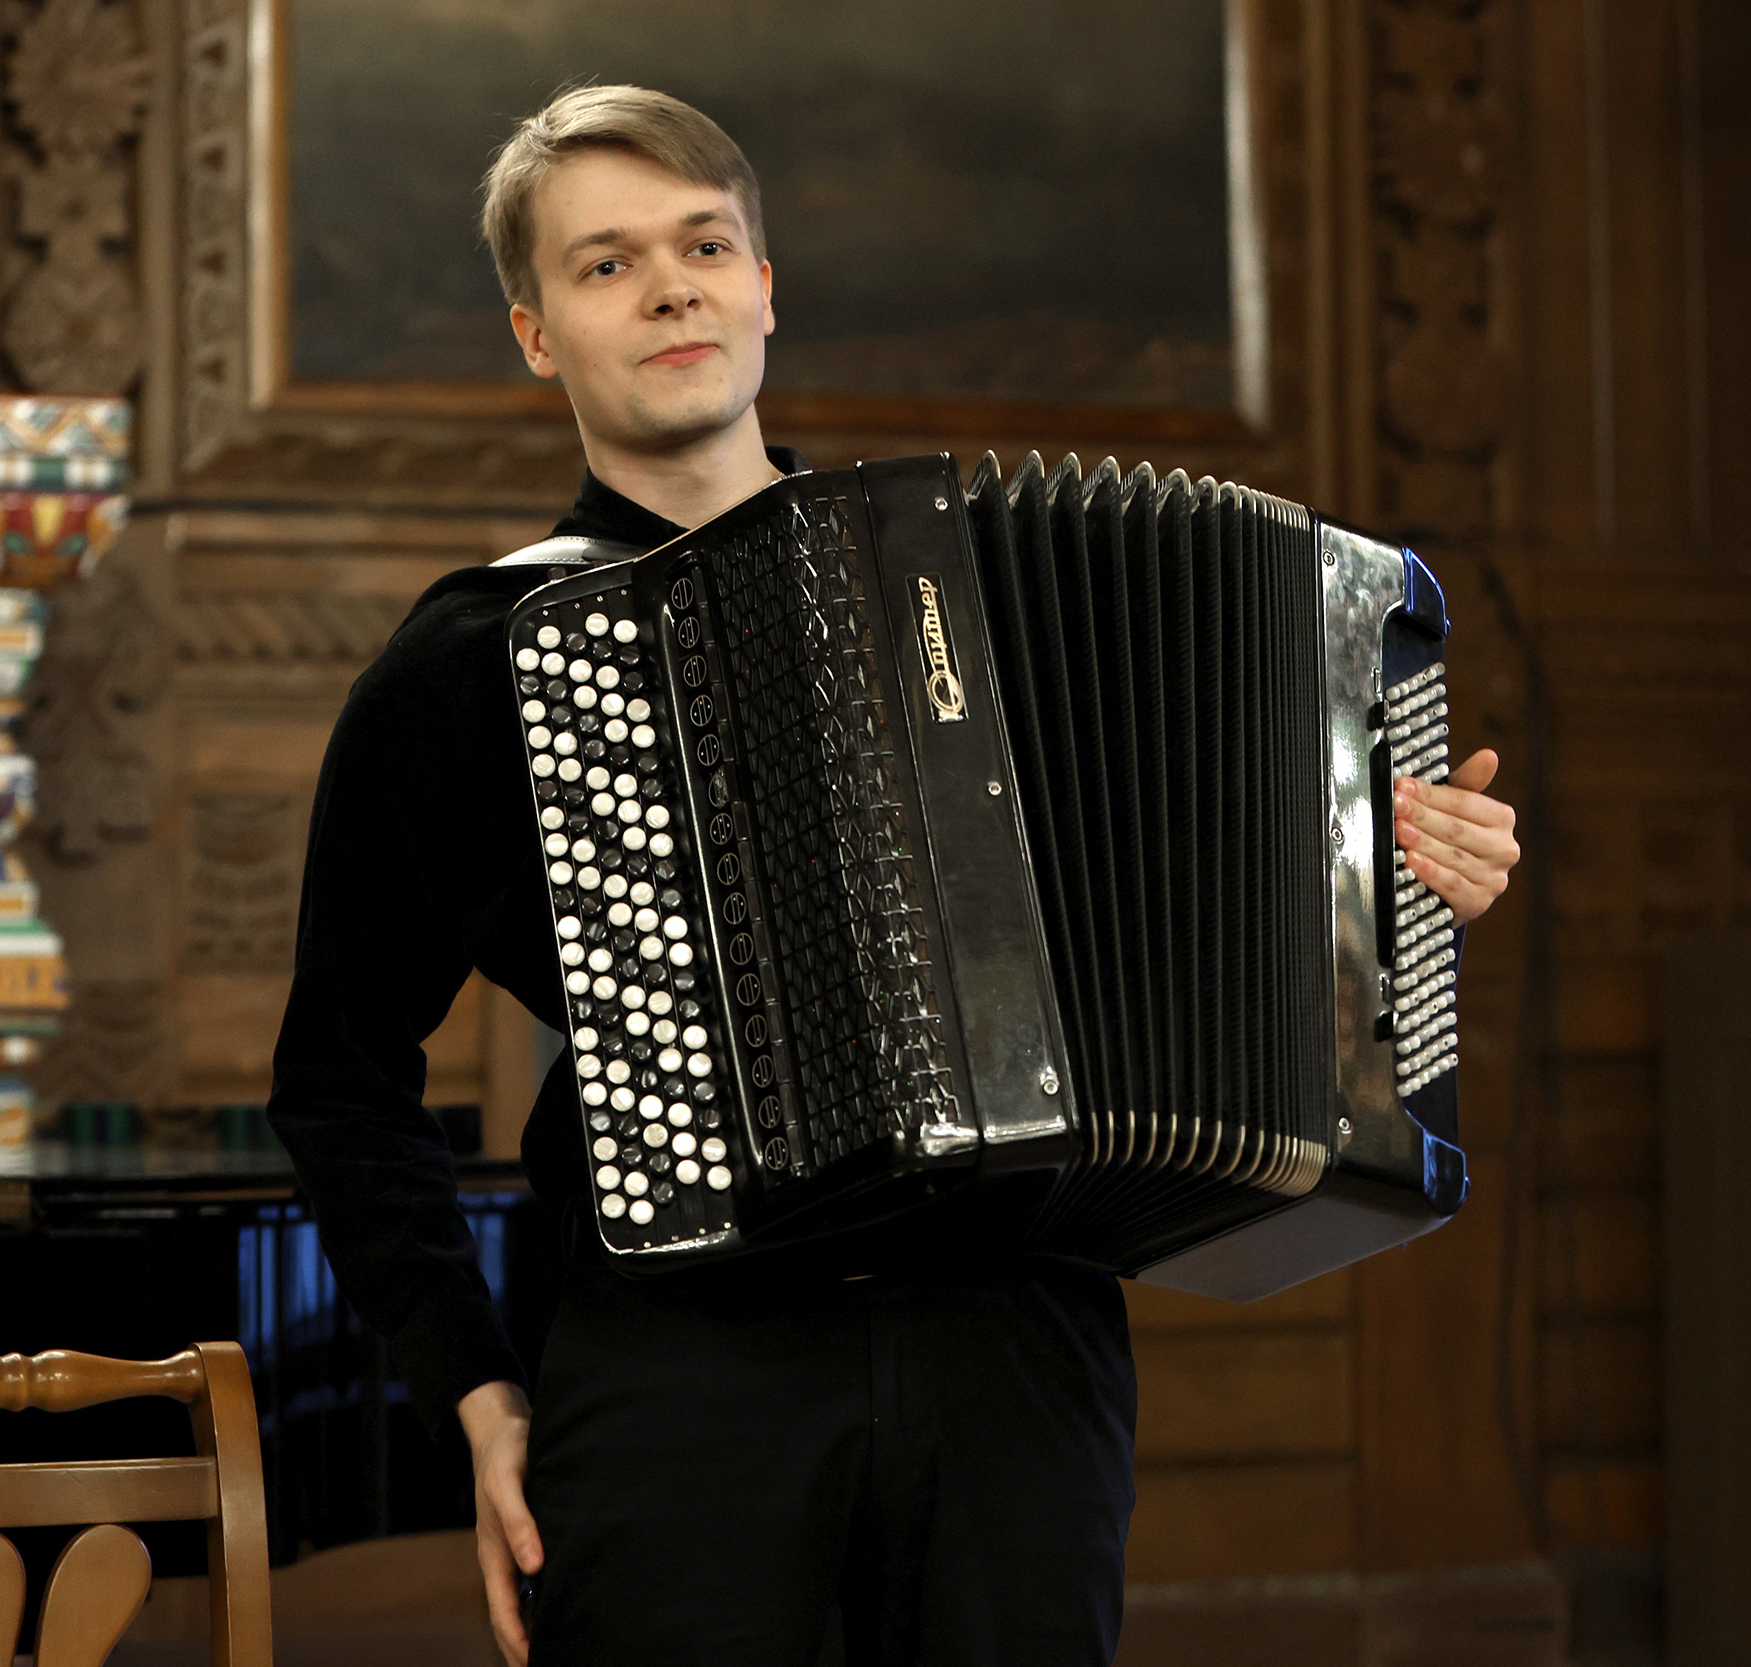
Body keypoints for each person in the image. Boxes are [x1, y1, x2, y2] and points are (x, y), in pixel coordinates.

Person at [266, 85, 1523, 1667]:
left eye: (703, 247)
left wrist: (1392, 878)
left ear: (763, 291)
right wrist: (472, 1381)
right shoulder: (471, 659)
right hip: (686, 1375)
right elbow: (340, 1078)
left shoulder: (968, 590)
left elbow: (1229, 892)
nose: (668, 290)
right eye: (605, 264)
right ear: (536, 335)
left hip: (1019, 1350)